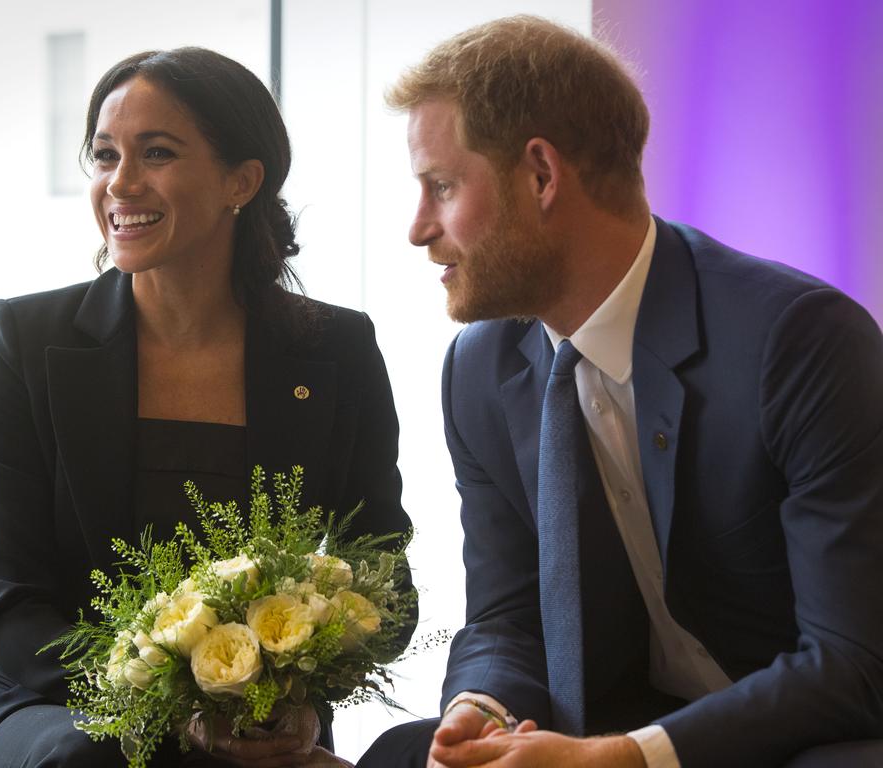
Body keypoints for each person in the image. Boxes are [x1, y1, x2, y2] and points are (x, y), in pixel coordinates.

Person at [358, 14, 883, 768]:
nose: (418, 229)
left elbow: (853, 662)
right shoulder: (479, 368)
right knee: (401, 755)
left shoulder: (799, 341)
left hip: (798, 729)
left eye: (441, 187)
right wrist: (482, 711)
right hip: (610, 716)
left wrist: (624, 760)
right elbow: (507, 617)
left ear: (541, 175)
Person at [0, 47, 412, 768]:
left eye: (155, 153)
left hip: (260, 722)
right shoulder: (25, 340)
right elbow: (15, 609)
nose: (119, 183)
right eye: (103, 156)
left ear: (240, 181)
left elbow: (385, 581)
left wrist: (299, 699)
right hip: (53, 707)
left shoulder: (337, 348)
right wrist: (176, 713)